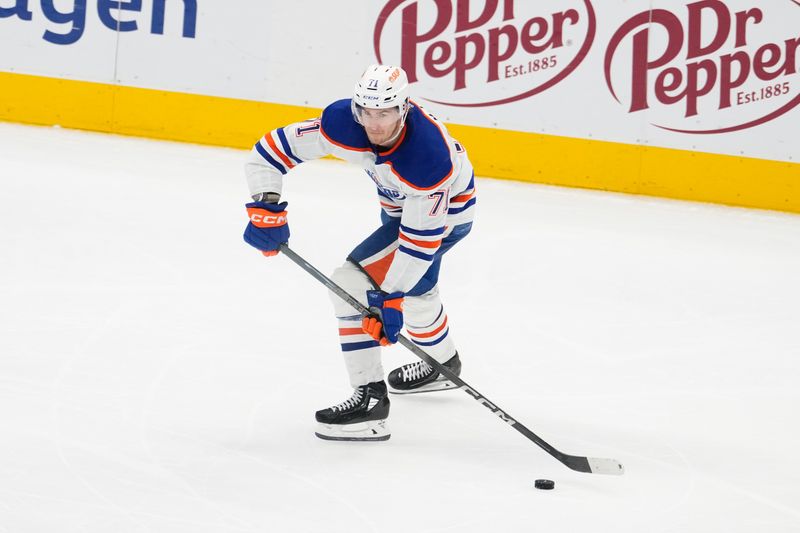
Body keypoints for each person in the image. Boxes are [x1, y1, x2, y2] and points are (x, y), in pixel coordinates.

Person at [242, 64, 476, 441]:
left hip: (443, 219)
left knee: (350, 285)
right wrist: (266, 206)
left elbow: (419, 241)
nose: (374, 124)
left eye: (384, 113)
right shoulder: (343, 123)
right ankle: (443, 364)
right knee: (418, 295)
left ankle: (370, 402)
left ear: (404, 109)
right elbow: (269, 153)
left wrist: (388, 297)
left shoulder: (428, 158)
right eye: (367, 112)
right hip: (399, 212)